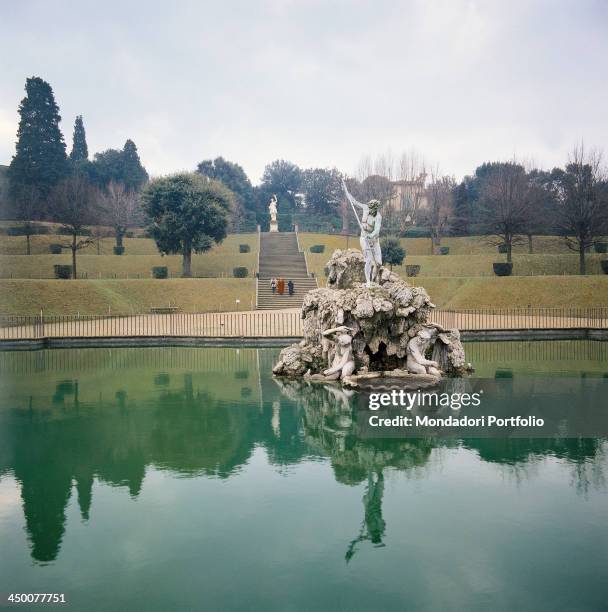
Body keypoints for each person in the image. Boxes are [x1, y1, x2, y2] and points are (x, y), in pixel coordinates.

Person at [341, 179, 382, 286]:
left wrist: (371, 235)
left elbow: (377, 230)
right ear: (370, 207)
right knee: (368, 260)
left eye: (376, 209)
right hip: (364, 238)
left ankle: (373, 280)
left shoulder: (378, 217)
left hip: (374, 240)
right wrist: (347, 193)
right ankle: (368, 281)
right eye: (373, 209)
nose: (374, 211)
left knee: (378, 264)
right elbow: (354, 202)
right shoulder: (365, 208)